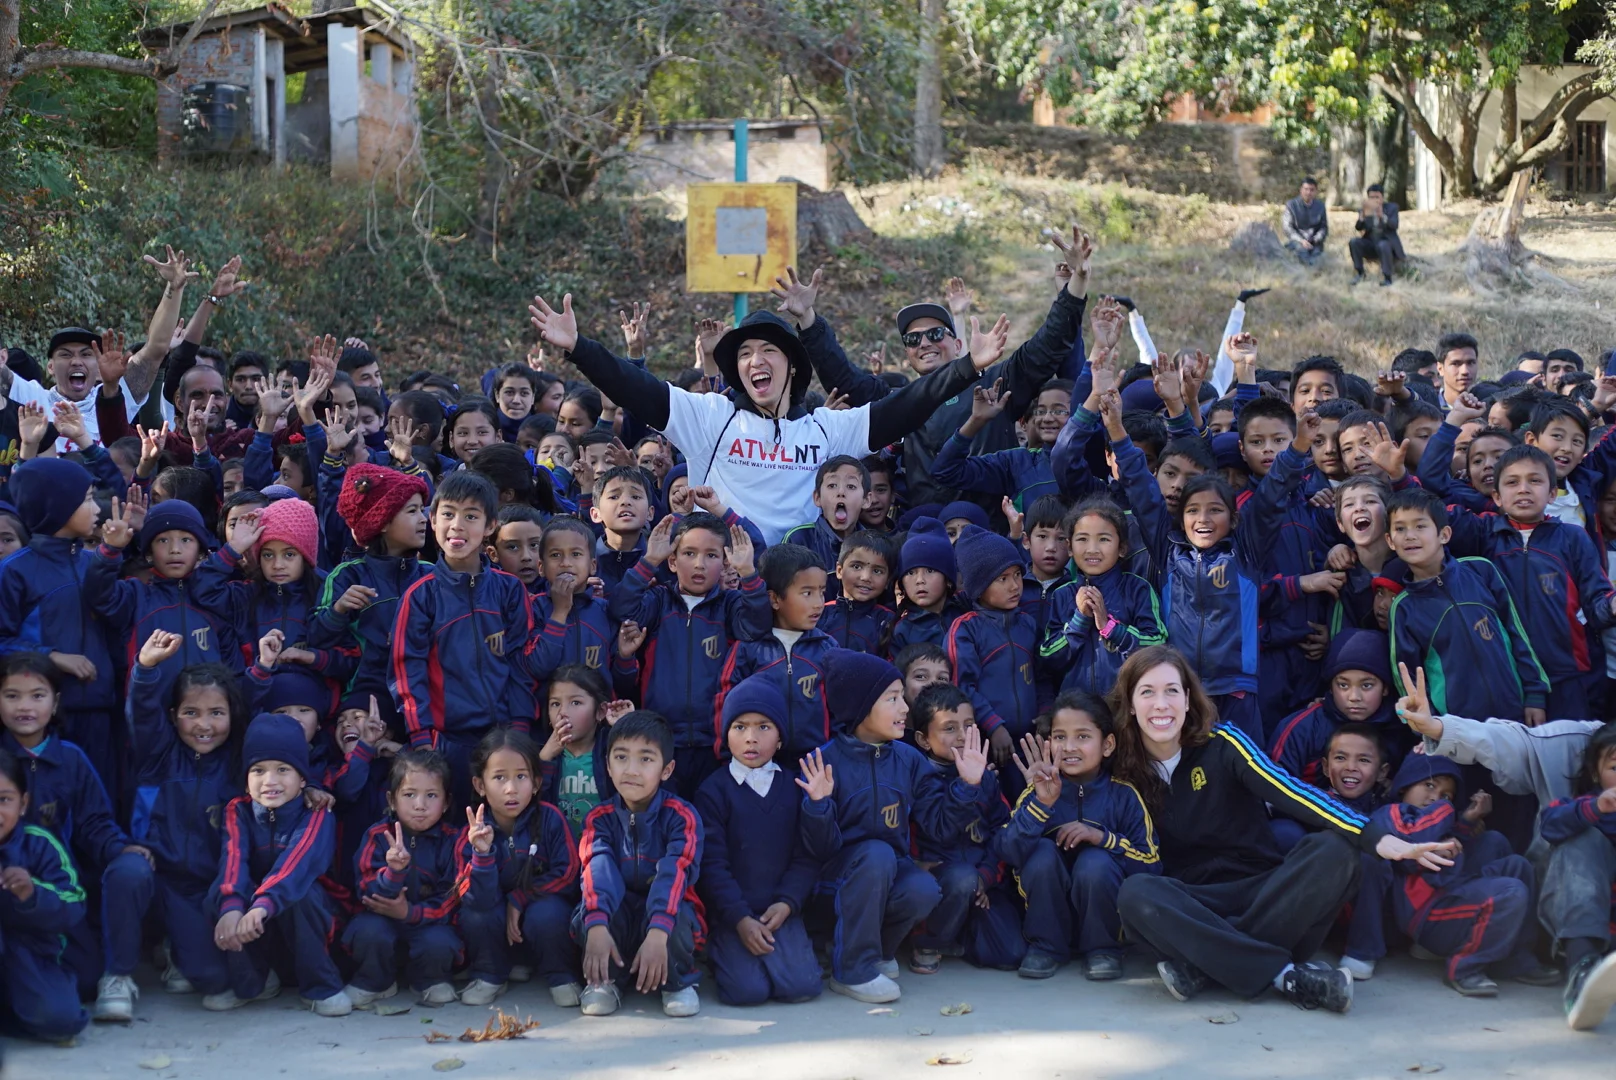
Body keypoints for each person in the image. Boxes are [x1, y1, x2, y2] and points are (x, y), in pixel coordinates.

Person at [1108, 646, 1449, 1013]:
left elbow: (1293, 792)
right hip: (1194, 905)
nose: (1161, 704)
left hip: (1266, 897)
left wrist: (1375, 836)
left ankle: (1207, 965)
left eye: (1172, 691)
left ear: (1188, 700)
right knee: (1135, 894)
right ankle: (1285, 975)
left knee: (1337, 852)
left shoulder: (1224, 743)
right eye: (1147, 692)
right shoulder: (1123, 770)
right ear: (1130, 704)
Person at [528, 287, 1008, 545]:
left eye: (768, 351)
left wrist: (967, 366)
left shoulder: (826, 428)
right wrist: (579, 349)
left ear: (792, 364)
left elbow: (908, 405)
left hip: (804, 583)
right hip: (723, 580)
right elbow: (635, 388)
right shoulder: (708, 417)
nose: (755, 361)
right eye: (745, 354)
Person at [791, 230, 1090, 511]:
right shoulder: (897, 401)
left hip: (992, 531)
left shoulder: (996, 382)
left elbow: (1048, 346)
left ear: (957, 343)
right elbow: (843, 380)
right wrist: (807, 319)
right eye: (912, 339)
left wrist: (1076, 285)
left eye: (935, 334)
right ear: (907, 355)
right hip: (927, 536)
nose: (923, 343)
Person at [797, 649, 990, 1004]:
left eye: (902, 697)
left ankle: (877, 951)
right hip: (833, 885)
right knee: (876, 854)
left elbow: (939, 826)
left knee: (923, 889)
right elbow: (818, 849)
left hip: (885, 873)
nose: (905, 708)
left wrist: (966, 786)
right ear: (860, 707)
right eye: (892, 699)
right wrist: (818, 805)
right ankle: (852, 970)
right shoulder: (824, 761)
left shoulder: (909, 759)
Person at [391, 471, 544, 807]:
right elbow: (406, 670)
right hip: (446, 740)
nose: (457, 526)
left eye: (471, 516)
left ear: (489, 526)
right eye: (448, 514)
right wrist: (423, 739)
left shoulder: (509, 590)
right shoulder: (421, 595)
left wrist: (518, 728)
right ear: (432, 520)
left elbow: (521, 663)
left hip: (503, 736)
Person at [1366, 752, 1556, 997]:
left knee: (1517, 864)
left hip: (1450, 891)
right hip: (1426, 916)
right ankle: (1465, 967)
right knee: (1510, 892)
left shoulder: (1436, 817)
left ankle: (1514, 958)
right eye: (1429, 785)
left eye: (1447, 794)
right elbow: (1417, 844)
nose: (1435, 796)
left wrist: (1468, 819)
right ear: (1404, 787)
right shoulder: (1391, 813)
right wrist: (1447, 806)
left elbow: (1447, 844)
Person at [999, 690, 1158, 980]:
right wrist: (1042, 804)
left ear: (1107, 744)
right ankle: (1046, 946)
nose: (1069, 747)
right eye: (1060, 737)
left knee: (1095, 862)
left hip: (1105, 926)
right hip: (1045, 920)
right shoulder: (1038, 791)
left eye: (1083, 737)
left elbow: (1151, 863)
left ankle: (1102, 949)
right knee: (1041, 853)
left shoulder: (1123, 795)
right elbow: (1009, 852)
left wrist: (1104, 839)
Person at [608, 512, 768, 797]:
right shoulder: (659, 601)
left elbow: (756, 625)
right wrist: (648, 561)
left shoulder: (729, 605)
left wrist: (749, 573)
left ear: (725, 561)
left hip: (715, 744)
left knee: (711, 823)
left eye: (711, 555)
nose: (699, 564)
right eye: (689, 553)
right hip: (662, 742)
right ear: (672, 561)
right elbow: (621, 608)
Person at [692, 676, 823, 1006]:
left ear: (780, 737)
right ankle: (722, 947)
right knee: (746, 993)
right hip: (734, 914)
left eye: (764, 727)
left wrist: (787, 903)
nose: (751, 738)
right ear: (726, 735)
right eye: (739, 727)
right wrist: (739, 919)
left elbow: (807, 855)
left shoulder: (795, 786)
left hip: (780, 910)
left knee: (801, 988)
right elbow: (712, 865)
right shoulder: (714, 791)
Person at [210, 713, 350, 1016]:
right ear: (245, 780)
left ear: (303, 779)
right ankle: (255, 983)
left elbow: (296, 864)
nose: (270, 781)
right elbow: (232, 859)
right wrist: (232, 907)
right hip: (259, 924)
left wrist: (262, 905)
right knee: (224, 894)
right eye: (258, 770)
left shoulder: (317, 813)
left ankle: (321, 987)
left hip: (310, 924)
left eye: (283, 769)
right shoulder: (238, 811)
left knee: (304, 894)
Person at [572, 711, 704, 1018]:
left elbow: (676, 872)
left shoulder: (680, 816)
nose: (631, 770)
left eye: (645, 759)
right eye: (621, 757)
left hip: (662, 916)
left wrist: (658, 931)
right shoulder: (599, 818)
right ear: (607, 765)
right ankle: (605, 981)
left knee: (679, 915)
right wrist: (597, 922)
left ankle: (676, 982)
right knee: (587, 915)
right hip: (619, 913)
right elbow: (596, 867)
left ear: (667, 769)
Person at [0, 460, 121, 787]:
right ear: (57, 507)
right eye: (86, 499)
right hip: (42, 718)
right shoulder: (14, 571)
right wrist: (51, 656)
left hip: (100, 709)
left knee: (98, 802)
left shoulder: (94, 563)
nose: (96, 508)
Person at [457, 728, 580, 1008]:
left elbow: (568, 874)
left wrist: (521, 897)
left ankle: (560, 974)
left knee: (549, 912)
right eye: (499, 777)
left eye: (521, 777)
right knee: (478, 915)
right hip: (497, 926)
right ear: (480, 785)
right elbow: (474, 899)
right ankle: (490, 975)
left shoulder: (550, 819)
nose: (511, 789)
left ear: (536, 783)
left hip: (537, 917)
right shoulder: (472, 832)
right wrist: (482, 854)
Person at [906, 684, 1024, 975]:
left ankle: (960, 931)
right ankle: (929, 940)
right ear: (923, 739)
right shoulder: (917, 776)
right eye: (949, 728)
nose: (961, 736)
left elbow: (1001, 829)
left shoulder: (985, 776)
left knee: (1011, 954)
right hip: (941, 880)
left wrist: (985, 877)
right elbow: (939, 829)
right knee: (961, 878)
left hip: (979, 879)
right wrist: (966, 785)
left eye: (969, 726)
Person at [344, 749, 464, 1008]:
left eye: (431, 795)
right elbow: (365, 889)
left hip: (427, 922)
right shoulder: (377, 835)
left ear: (445, 803)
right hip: (381, 919)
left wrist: (410, 913)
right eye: (409, 795)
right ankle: (375, 982)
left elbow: (452, 897)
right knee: (367, 931)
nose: (420, 805)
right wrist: (393, 873)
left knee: (440, 942)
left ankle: (430, 980)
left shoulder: (452, 839)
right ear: (392, 799)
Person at [716, 544, 835, 766]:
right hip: (760, 765)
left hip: (816, 764)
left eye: (822, 591)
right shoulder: (748, 648)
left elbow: (839, 711)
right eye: (807, 593)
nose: (819, 603)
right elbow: (725, 699)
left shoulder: (828, 648)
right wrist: (726, 755)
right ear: (774, 599)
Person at [0, 746, 89, 1042]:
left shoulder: (40, 844)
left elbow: (74, 904)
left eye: (4, 800)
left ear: (23, 804)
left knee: (62, 1020)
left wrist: (32, 892)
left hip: (30, 953)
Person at [1349, 184, 1404, 287]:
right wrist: (1361, 218)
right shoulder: (1365, 209)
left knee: (1383, 245)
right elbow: (1358, 228)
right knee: (1354, 242)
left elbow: (1394, 225)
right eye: (1371, 197)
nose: (1374, 200)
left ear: (1382, 198)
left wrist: (1382, 216)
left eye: (1377, 197)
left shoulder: (1392, 208)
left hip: (1387, 244)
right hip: (1371, 243)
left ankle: (1387, 278)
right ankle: (1360, 273)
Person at [1282, 177, 1328, 266]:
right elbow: (1287, 228)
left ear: (1315, 191)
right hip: (1297, 240)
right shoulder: (1291, 205)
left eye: (1312, 190)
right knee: (1302, 254)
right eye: (1306, 189)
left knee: (1318, 258)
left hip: (1314, 242)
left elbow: (1324, 227)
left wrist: (1316, 239)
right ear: (1301, 190)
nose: (1308, 192)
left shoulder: (1320, 206)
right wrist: (1301, 240)